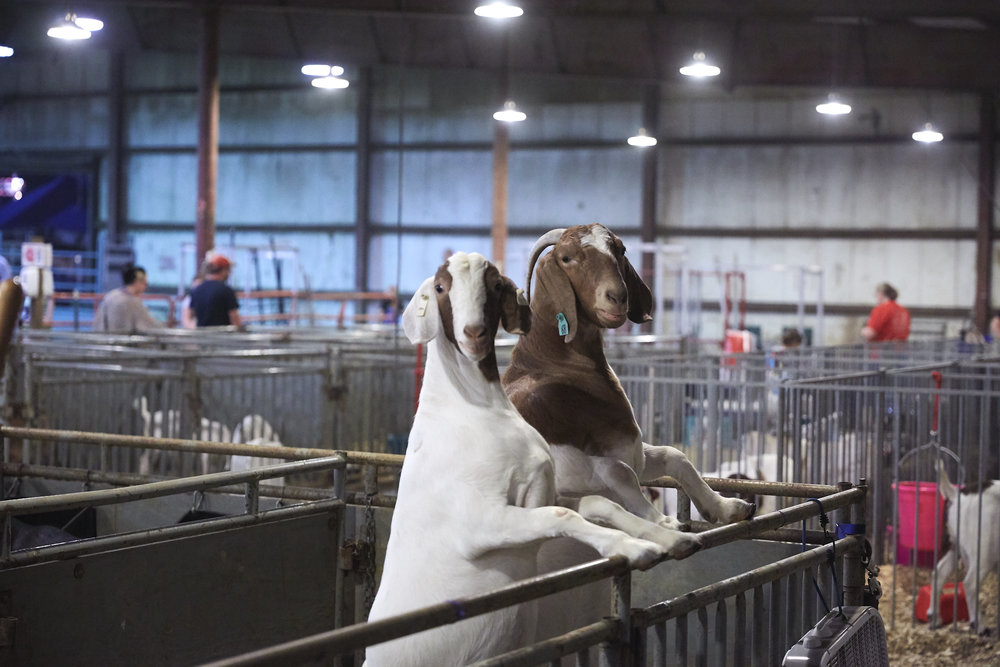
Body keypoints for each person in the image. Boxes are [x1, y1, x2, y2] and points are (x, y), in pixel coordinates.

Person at [93, 265, 161, 333]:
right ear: (138, 281)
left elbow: (98, 324)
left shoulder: (110, 296)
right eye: (145, 283)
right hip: (125, 341)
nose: (145, 287)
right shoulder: (133, 302)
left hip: (105, 339)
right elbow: (149, 327)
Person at [185, 254, 242, 328]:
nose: (229, 273)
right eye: (228, 270)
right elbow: (234, 317)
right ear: (223, 270)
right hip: (223, 336)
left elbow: (189, 315)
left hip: (201, 336)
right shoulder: (226, 291)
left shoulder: (196, 290)